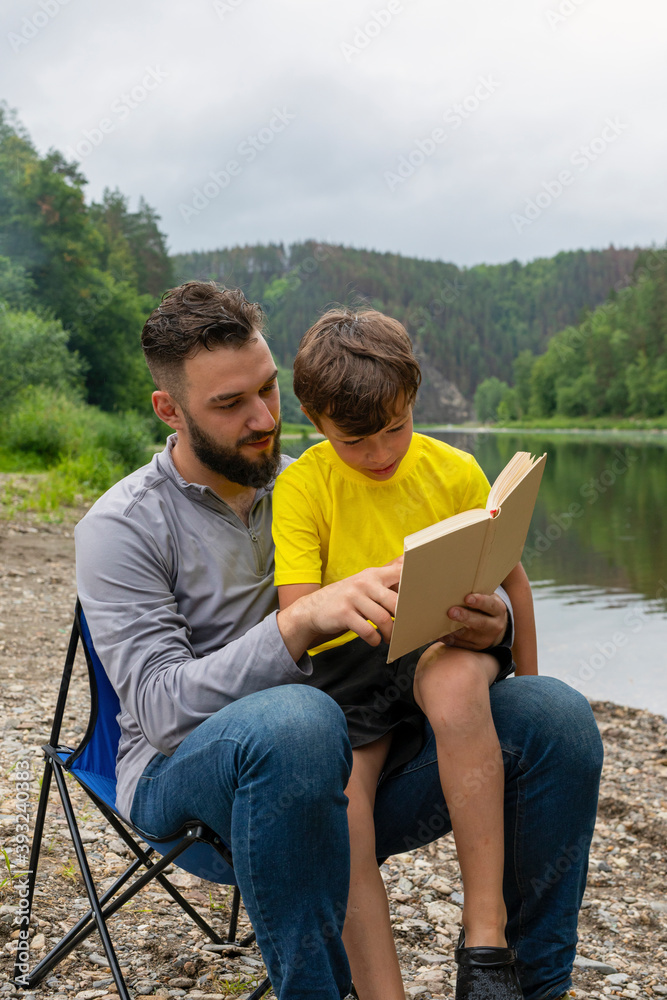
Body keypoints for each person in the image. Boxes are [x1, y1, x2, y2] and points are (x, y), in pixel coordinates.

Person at [75, 281, 603, 1000]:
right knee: (297, 721)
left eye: (267, 391)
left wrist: (495, 626)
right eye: (230, 404)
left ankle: (520, 984)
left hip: (343, 752)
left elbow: (442, 615)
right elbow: (163, 714)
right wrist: (300, 622)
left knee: (555, 718)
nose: (263, 419)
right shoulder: (122, 527)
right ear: (169, 410)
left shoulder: (330, 479)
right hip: (193, 778)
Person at [272, 308, 537, 999]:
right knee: (347, 798)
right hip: (353, 670)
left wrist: (531, 682)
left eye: (397, 426)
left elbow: (512, 580)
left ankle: (484, 941)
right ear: (313, 418)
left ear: (412, 396)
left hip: (449, 641)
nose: (381, 452)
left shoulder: (452, 469)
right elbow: (296, 614)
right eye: (356, 440)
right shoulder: (304, 485)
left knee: (452, 688)